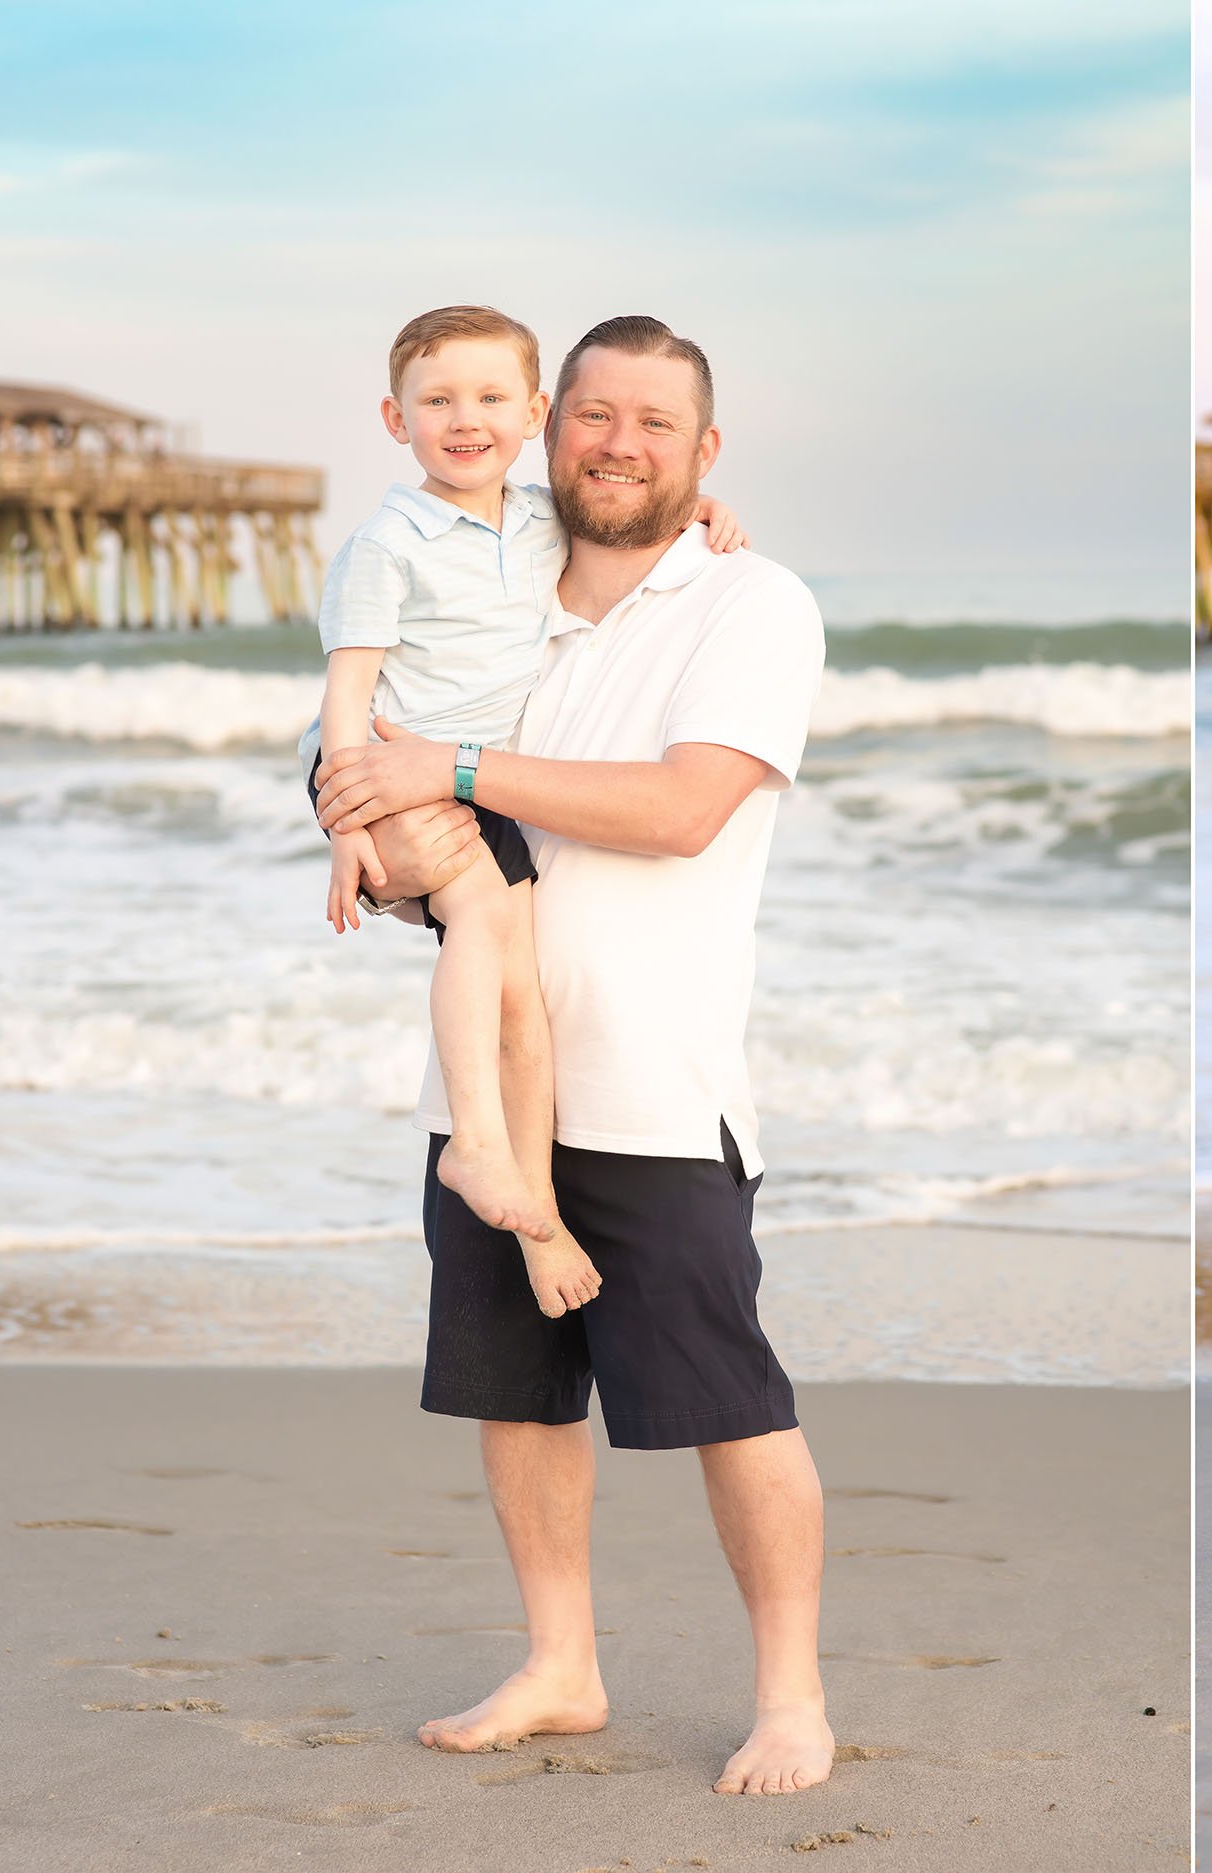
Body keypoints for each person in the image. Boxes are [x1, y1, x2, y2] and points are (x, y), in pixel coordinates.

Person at [312, 314, 834, 1793]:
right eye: (595, 416)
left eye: (655, 424)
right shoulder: (492, 580)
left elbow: (681, 810)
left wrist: (451, 771)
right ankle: (561, 1663)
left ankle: (790, 1695)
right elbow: (365, 737)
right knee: (515, 1388)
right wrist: (355, 804)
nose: (618, 443)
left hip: (656, 1085)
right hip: (480, 1078)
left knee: (730, 1397)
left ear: (704, 451)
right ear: (553, 432)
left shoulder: (750, 602)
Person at [307, 303, 743, 1319]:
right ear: (394, 416)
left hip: (460, 774)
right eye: (439, 401)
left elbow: (628, 499)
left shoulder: (541, 513)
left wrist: (705, 510)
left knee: (526, 1006)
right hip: (381, 761)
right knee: (493, 932)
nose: (467, 419)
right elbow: (345, 688)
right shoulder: (387, 543)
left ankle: (535, 1215)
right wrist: (345, 826)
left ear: (533, 413)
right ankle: (475, 1142)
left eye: (494, 397)